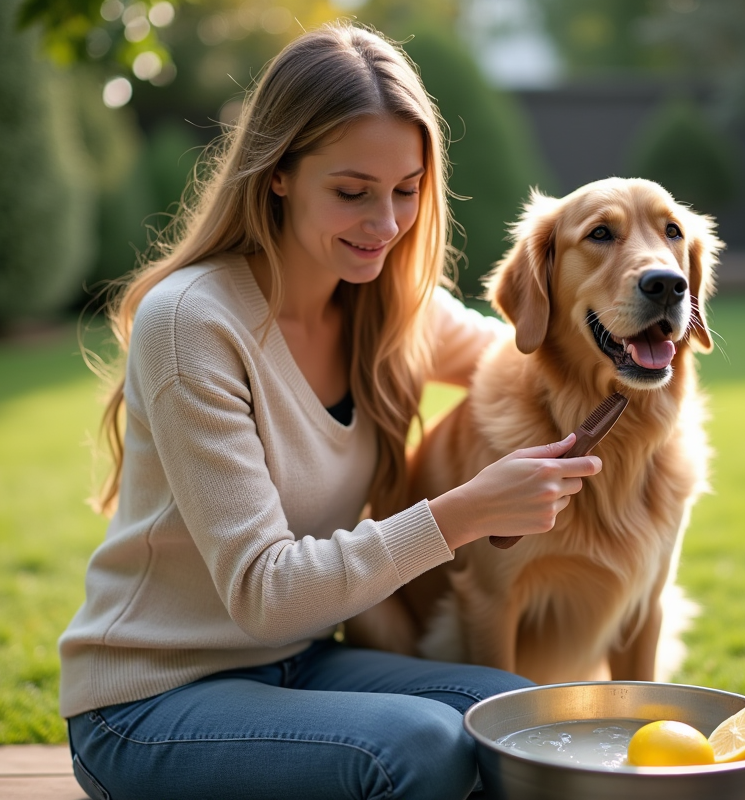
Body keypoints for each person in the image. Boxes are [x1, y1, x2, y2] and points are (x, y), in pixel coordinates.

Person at [59, 22, 602, 800]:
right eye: (352, 192)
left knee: (521, 716)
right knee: (420, 747)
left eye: (406, 191)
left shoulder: (391, 309)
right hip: (150, 702)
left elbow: (526, 355)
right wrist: (465, 513)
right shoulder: (192, 323)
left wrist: (626, 311)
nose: (385, 225)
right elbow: (266, 591)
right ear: (278, 173)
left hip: (299, 662)